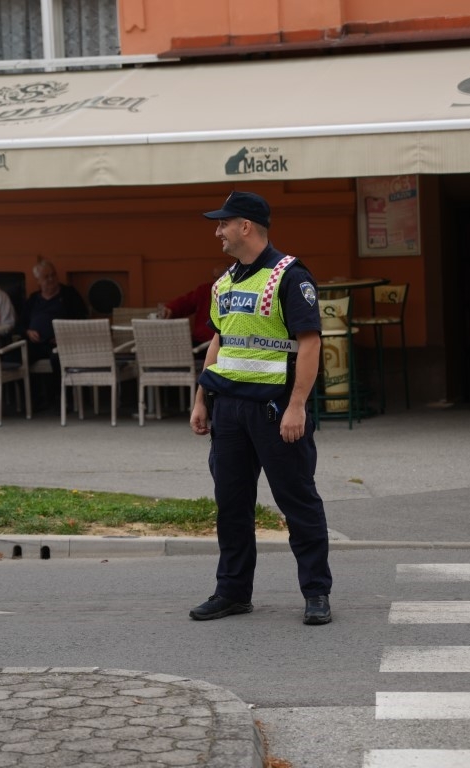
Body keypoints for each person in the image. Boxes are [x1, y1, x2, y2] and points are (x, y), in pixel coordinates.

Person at [189, 191, 333, 626]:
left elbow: (310, 344)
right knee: (231, 504)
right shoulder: (224, 283)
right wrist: (201, 398)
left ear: (245, 226)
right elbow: (220, 340)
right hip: (229, 409)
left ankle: (316, 593)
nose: (217, 231)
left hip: (274, 409)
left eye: (223, 224)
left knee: (297, 500)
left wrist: (297, 406)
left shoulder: (290, 275)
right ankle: (232, 592)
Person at [16, 260, 87, 366]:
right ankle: (28, 383)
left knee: (57, 359)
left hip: (60, 344)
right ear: (38, 281)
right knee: (14, 357)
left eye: (53, 275)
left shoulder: (69, 294)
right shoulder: (33, 299)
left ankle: (59, 383)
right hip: (36, 344)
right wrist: (28, 332)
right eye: (46, 277)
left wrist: (65, 336)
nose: (51, 279)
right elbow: (19, 324)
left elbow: (82, 319)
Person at [160, 265, 229, 347]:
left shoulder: (236, 293)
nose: (217, 281)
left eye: (221, 277)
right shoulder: (205, 290)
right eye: (215, 278)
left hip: (224, 343)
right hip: (200, 342)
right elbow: (186, 302)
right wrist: (170, 308)